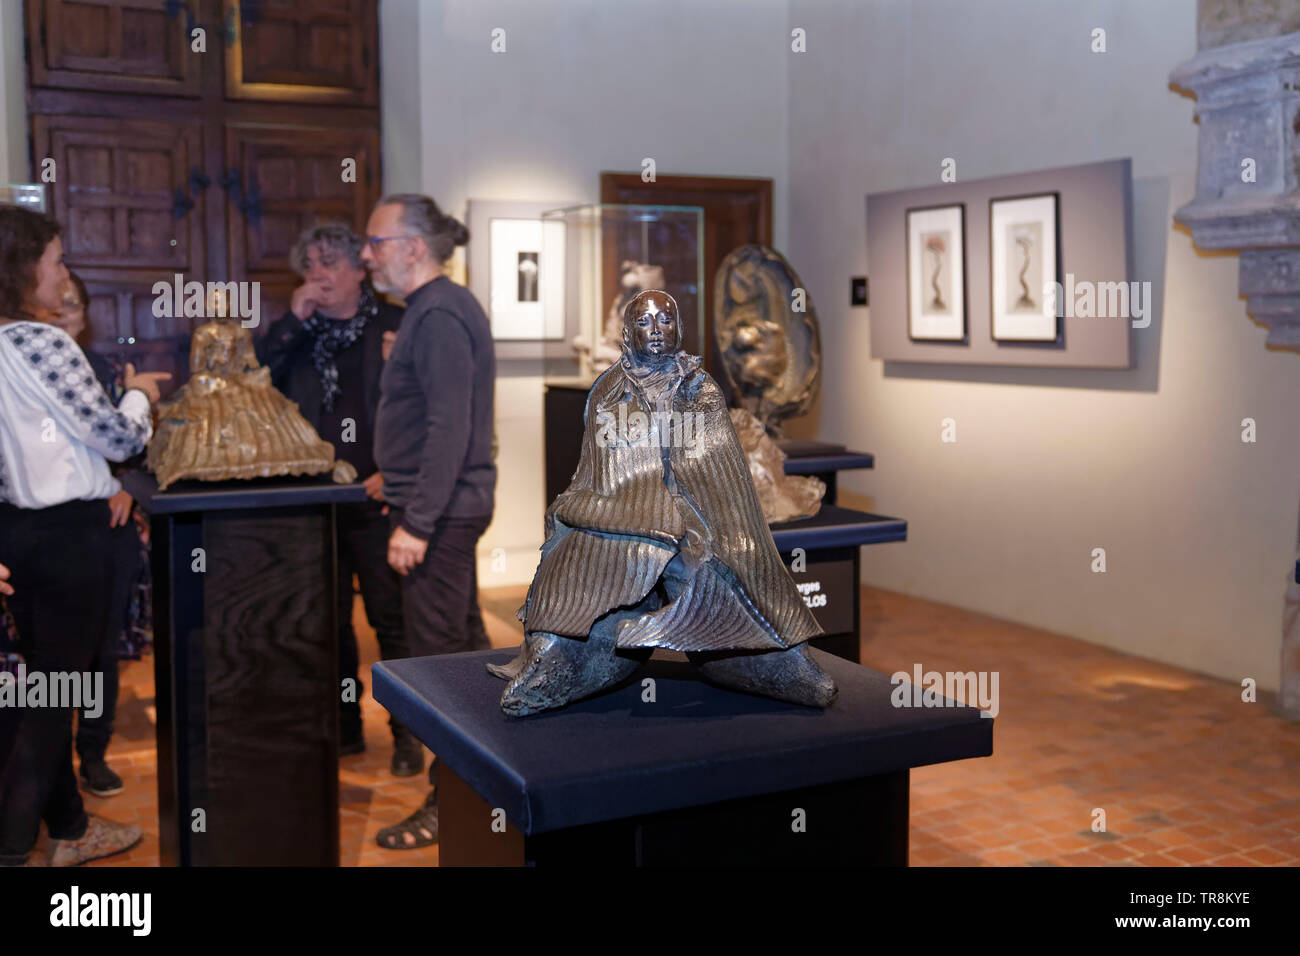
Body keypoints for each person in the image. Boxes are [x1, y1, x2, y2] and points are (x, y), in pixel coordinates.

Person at [489, 290, 835, 715]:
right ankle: (553, 658)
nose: (656, 331)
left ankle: (777, 659)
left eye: (665, 320)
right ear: (627, 331)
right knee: (569, 570)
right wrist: (618, 510)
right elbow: (599, 474)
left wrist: (692, 519)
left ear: (680, 328)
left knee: (728, 563)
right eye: (644, 322)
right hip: (616, 516)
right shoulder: (608, 392)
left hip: (699, 517)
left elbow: (721, 475)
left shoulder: (700, 389)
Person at [0, 206, 170, 866]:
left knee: (42, 691)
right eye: (57, 260)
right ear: (24, 269)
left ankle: (70, 830)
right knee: (53, 706)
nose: (64, 274)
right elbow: (119, 438)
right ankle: (15, 850)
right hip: (71, 538)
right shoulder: (42, 343)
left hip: (17, 534)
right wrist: (140, 396)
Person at [362, 194, 496, 849]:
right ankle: (483, 789)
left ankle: (453, 805)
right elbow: (435, 421)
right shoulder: (431, 309)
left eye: (375, 242)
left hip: (439, 521)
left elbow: (452, 426)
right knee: (467, 658)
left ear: (414, 247)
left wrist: (415, 521)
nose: (367, 255)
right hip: (436, 506)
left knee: (441, 667)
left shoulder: (440, 312)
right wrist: (399, 472)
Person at [254, 223, 413, 772]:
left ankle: (407, 735)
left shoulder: (396, 323)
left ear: (359, 269)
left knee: (390, 621)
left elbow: (425, 412)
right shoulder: (296, 332)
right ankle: (344, 728)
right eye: (309, 266)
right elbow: (252, 384)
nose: (317, 276)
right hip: (312, 501)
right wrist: (290, 323)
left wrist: (395, 471)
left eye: (329, 264)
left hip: (376, 499)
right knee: (328, 621)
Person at [44, 272, 146, 798]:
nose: (63, 317)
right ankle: (49, 764)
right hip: (48, 532)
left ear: (85, 317)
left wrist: (127, 485)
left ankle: (95, 752)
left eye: (73, 309)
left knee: (102, 651)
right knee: (52, 656)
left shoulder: (106, 371)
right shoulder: (25, 369)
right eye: (55, 307)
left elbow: (135, 448)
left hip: (109, 529)